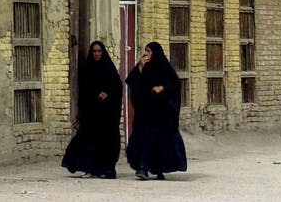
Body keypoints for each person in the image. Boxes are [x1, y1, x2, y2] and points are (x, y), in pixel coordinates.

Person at [126, 42, 187, 181]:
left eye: (149, 51)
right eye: (145, 51)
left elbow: (175, 84)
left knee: (160, 141)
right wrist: (140, 67)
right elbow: (133, 83)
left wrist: (162, 87)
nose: (146, 54)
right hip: (145, 111)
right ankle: (142, 168)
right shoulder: (143, 67)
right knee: (143, 138)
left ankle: (159, 169)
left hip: (161, 113)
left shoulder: (165, 67)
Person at [62, 40, 123, 179]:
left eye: (99, 51)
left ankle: (106, 169)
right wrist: (81, 112)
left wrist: (107, 93)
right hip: (91, 111)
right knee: (90, 139)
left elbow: (117, 87)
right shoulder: (87, 69)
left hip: (106, 113)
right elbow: (83, 91)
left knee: (107, 140)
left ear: (103, 53)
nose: (96, 54)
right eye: (94, 51)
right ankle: (90, 168)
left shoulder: (109, 68)